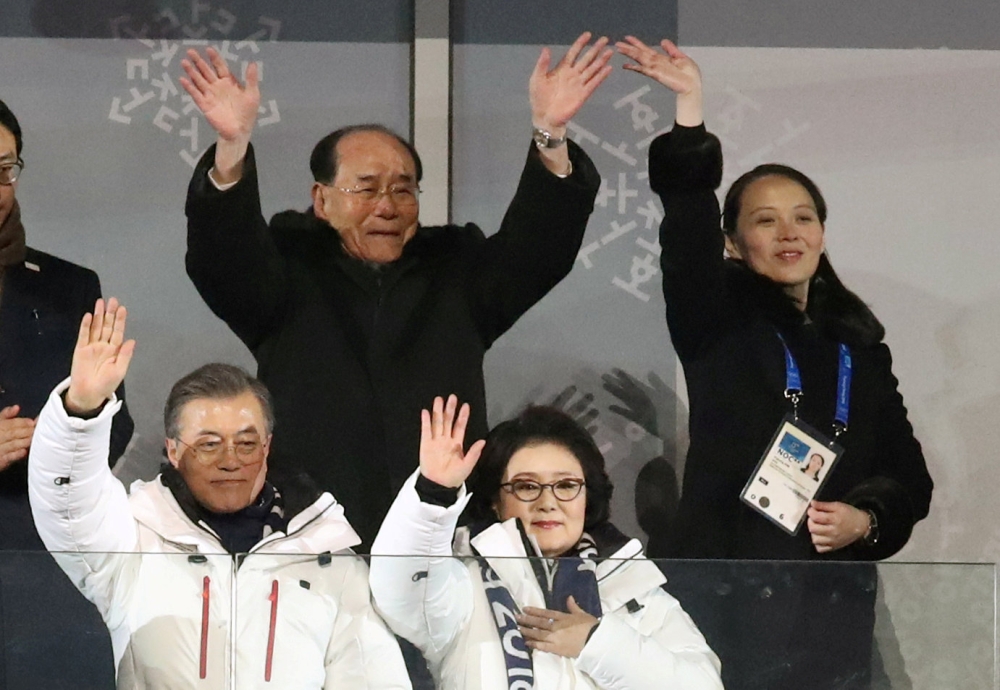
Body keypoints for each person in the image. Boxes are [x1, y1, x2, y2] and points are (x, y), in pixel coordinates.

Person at [179, 34, 609, 550]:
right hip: (310, 534)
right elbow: (222, 262)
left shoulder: (456, 270)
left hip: (443, 531)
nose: (388, 205)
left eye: (403, 189)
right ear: (322, 200)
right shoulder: (286, 270)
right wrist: (231, 150)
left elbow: (539, 250)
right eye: (366, 187)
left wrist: (551, 133)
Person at [616, 37, 933, 689]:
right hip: (721, 606)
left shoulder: (860, 348)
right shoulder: (716, 318)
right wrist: (690, 111)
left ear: (821, 232)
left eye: (803, 217)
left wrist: (866, 518)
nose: (789, 233)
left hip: (827, 623)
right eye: (766, 220)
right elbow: (685, 229)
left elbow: (909, 479)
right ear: (733, 243)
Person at [28, 299, 411, 689]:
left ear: (267, 448)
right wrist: (81, 411)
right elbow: (70, 508)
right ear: (173, 451)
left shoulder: (330, 558)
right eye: (208, 444)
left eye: (246, 444)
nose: (230, 461)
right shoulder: (133, 543)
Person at [369, 396, 723, 690]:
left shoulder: (633, 587)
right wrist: (433, 493)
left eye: (566, 485)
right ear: (496, 499)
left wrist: (596, 643)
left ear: (588, 496)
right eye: (526, 486)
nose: (548, 502)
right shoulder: (464, 579)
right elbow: (402, 590)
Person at [0, 98, 133, 549]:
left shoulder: (70, 287)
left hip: (51, 549)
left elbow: (116, 427)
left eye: (5, 169)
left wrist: (78, 416)